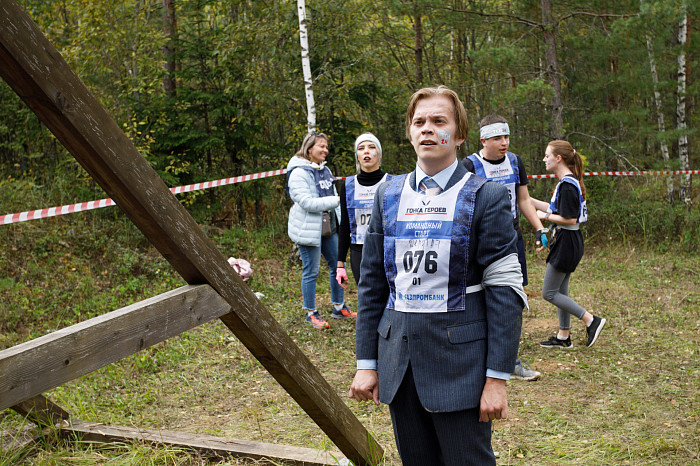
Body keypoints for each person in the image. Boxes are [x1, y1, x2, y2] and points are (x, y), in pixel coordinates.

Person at [349, 86, 525, 465]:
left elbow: (506, 292)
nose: (427, 129)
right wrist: (367, 363)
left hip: (460, 368)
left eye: (438, 121)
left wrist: (497, 378)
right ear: (410, 133)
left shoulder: (486, 195)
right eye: (419, 122)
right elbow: (373, 286)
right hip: (399, 363)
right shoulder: (387, 195)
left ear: (459, 135)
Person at [462, 114, 548, 381]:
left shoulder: (514, 161)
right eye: (498, 138)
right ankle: (479, 357)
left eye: (507, 137)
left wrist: (539, 228)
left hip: (510, 237)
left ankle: (509, 359)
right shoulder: (469, 165)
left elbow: (523, 199)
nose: (504, 142)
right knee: (479, 297)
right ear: (483, 139)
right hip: (479, 240)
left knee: (512, 298)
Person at [531, 140, 606, 348]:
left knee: (549, 293)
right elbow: (556, 209)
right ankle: (564, 337)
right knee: (560, 292)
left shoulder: (567, 185)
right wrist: (529, 201)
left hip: (568, 241)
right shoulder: (567, 182)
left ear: (558, 158)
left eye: (547, 156)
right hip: (569, 241)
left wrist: (544, 217)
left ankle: (591, 320)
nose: (544, 159)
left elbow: (570, 218)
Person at [286, 132, 353, 329]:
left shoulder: (324, 170)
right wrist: (337, 200)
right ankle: (311, 313)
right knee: (311, 271)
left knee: (337, 266)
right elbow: (306, 202)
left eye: (326, 147)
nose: (326, 150)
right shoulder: (299, 172)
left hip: (329, 226)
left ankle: (339, 307)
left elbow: (331, 192)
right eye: (321, 146)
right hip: (308, 228)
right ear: (309, 149)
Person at [336, 133, 391, 290]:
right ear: (357, 156)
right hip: (359, 249)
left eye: (372, 147)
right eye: (361, 148)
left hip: (386, 247)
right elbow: (345, 225)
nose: (366, 151)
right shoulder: (348, 185)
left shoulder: (393, 182)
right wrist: (340, 263)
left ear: (379, 155)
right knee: (367, 296)